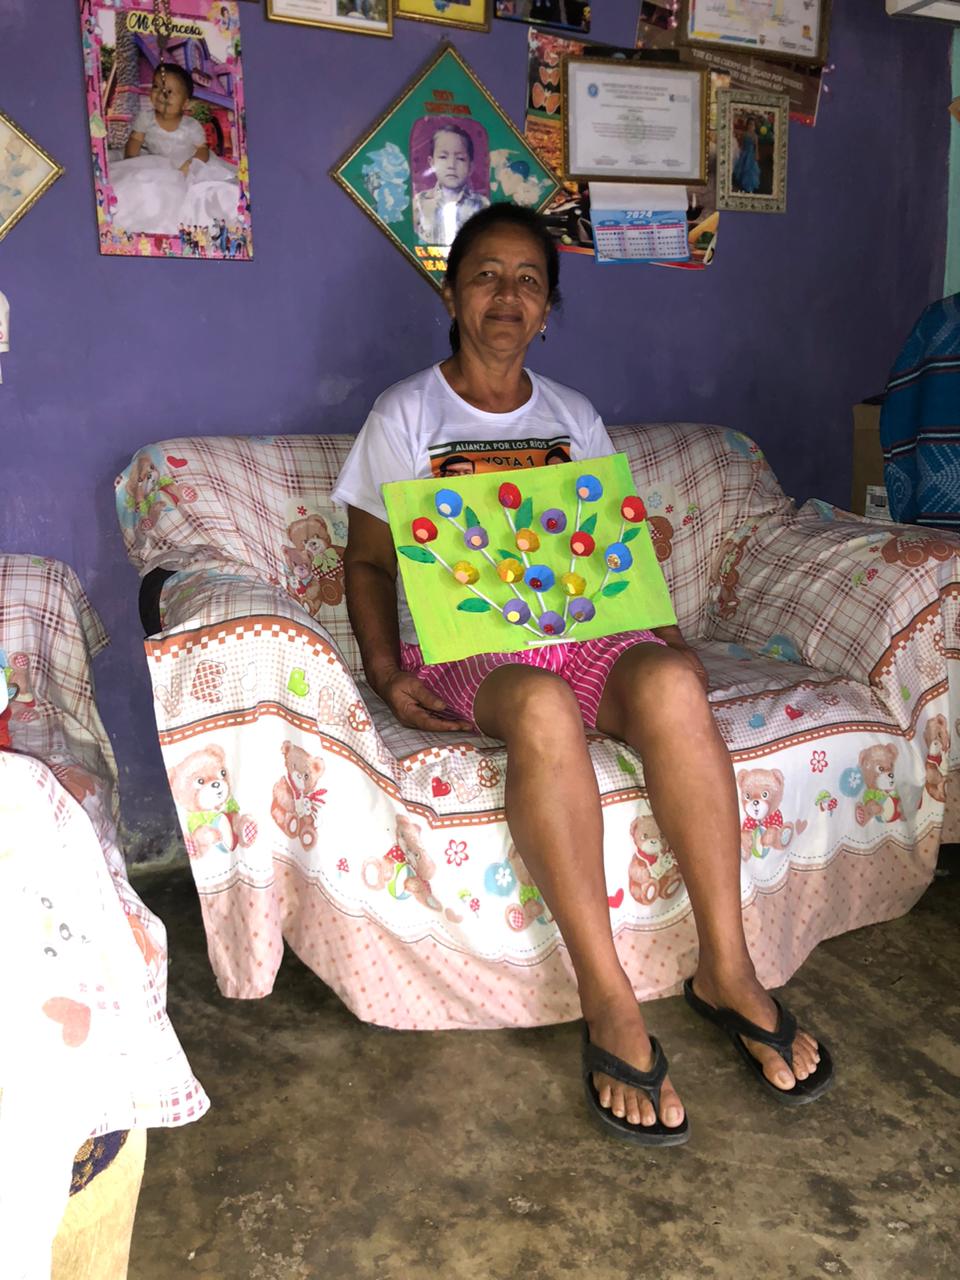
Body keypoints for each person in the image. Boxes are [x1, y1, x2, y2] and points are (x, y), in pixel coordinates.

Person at [333, 203, 833, 1145]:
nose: (507, 296)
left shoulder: (572, 415)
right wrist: (385, 669)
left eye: (528, 280)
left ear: (548, 309)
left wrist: (666, 637)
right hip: (477, 648)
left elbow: (616, 548)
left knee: (673, 686)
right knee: (543, 704)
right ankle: (608, 998)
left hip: (586, 630)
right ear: (451, 294)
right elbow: (365, 562)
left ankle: (727, 970)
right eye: (486, 276)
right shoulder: (405, 416)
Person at [108, 63, 239, 239]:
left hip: (189, 162)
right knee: (139, 182)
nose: (162, 94)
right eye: (156, 86)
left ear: (185, 103)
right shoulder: (146, 118)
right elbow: (135, 140)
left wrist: (192, 164)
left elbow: (203, 150)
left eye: (170, 91)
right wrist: (131, 161)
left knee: (198, 191)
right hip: (157, 160)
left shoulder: (191, 125)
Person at [413, 123, 490, 248]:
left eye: (460, 158)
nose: (451, 165)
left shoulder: (482, 205)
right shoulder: (419, 203)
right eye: (443, 157)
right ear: (432, 163)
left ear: (471, 166)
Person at [732, 116, 761, 195]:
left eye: (752, 125)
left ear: (754, 127)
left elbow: (756, 147)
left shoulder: (755, 136)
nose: (751, 126)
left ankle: (749, 186)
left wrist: (757, 155)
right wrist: (740, 150)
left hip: (751, 154)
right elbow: (742, 144)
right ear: (747, 125)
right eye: (749, 124)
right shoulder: (745, 134)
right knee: (742, 168)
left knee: (750, 170)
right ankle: (742, 185)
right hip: (744, 153)